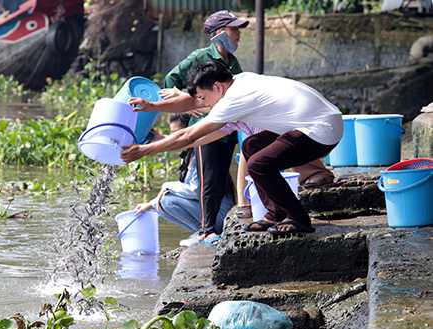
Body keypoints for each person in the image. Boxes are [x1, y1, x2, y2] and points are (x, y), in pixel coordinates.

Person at [121, 61, 343, 235]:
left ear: (217, 86)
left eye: (205, 97)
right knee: (251, 145)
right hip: (321, 122)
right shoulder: (239, 82)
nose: (205, 104)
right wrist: (155, 112)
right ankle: (274, 213)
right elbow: (198, 133)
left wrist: (144, 150)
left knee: (258, 164)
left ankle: (298, 217)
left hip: (320, 130)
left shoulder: (233, 100)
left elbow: (189, 135)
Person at [161, 10, 247, 246]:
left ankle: (215, 226)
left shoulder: (232, 60)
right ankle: (206, 230)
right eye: (234, 29)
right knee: (207, 180)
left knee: (220, 177)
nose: (239, 34)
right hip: (204, 128)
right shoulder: (200, 57)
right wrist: (186, 109)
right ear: (220, 33)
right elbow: (171, 81)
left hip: (227, 128)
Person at [133, 113, 234, 247]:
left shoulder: (200, 151)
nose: (174, 137)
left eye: (176, 133)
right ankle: (201, 230)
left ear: (189, 129)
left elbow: (194, 190)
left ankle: (204, 231)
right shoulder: (191, 151)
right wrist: (151, 204)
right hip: (215, 215)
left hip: (220, 216)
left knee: (166, 201)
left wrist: (165, 186)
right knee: (160, 204)